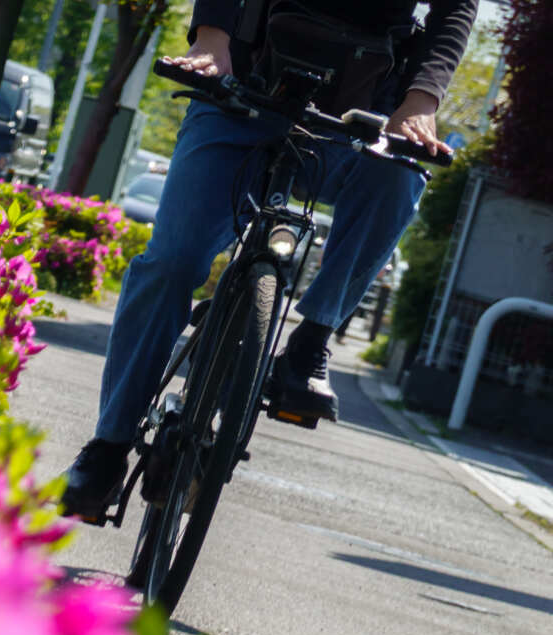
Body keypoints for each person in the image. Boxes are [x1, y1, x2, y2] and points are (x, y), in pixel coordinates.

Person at [61, 0, 479, 522]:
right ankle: (107, 447)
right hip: (241, 84)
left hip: (365, 110)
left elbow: (455, 8)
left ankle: (311, 341)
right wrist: (211, 38)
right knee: (170, 264)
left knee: (399, 177)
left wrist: (421, 99)